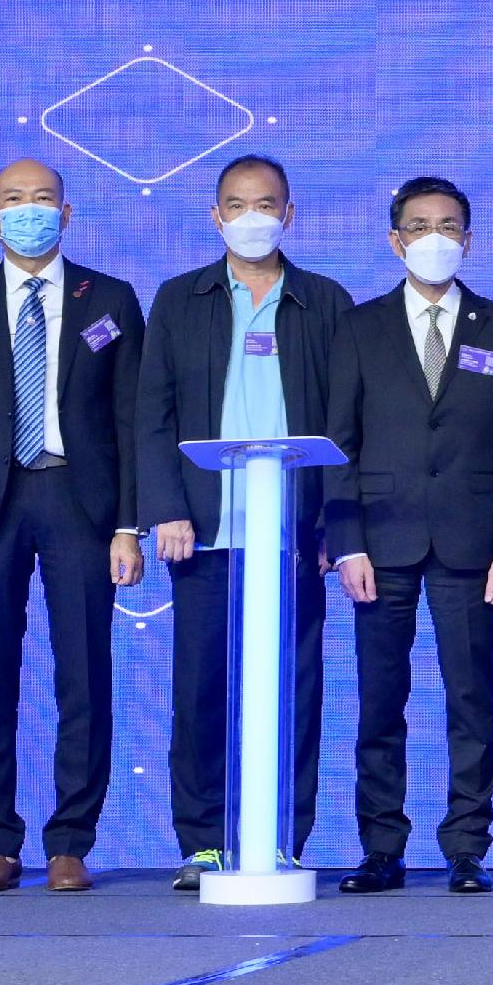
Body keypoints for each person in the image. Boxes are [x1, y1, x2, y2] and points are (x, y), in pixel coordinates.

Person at [0, 160, 143, 895]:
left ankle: (71, 840)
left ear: (66, 213)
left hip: (81, 499)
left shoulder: (109, 297)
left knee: (85, 673)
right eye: (14, 200)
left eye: (43, 199)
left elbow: (132, 419)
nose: (29, 211)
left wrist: (129, 524)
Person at [128, 153, 349, 889]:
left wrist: (333, 524)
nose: (252, 217)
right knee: (201, 690)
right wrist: (165, 507)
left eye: (266, 205)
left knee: (296, 691)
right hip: (204, 530)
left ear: (289, 214)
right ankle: (204, 841)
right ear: (215, 215)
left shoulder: (324, 300)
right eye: (237, 205)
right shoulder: (179, 298)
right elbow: (152, 414)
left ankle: (282, 837)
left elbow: (346, 420)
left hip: (293, 536)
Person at [318, 175, 493, 895]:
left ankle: (467, 845)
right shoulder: (359, 325)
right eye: (418, 225)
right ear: (395, 240)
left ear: (468, 239)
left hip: (473, 541)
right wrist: (346, 540)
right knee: (380, 701)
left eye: (448, 226)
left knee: (472, 698)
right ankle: (381, 846)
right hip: (380, 542)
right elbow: (338, 443)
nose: (434, 238)